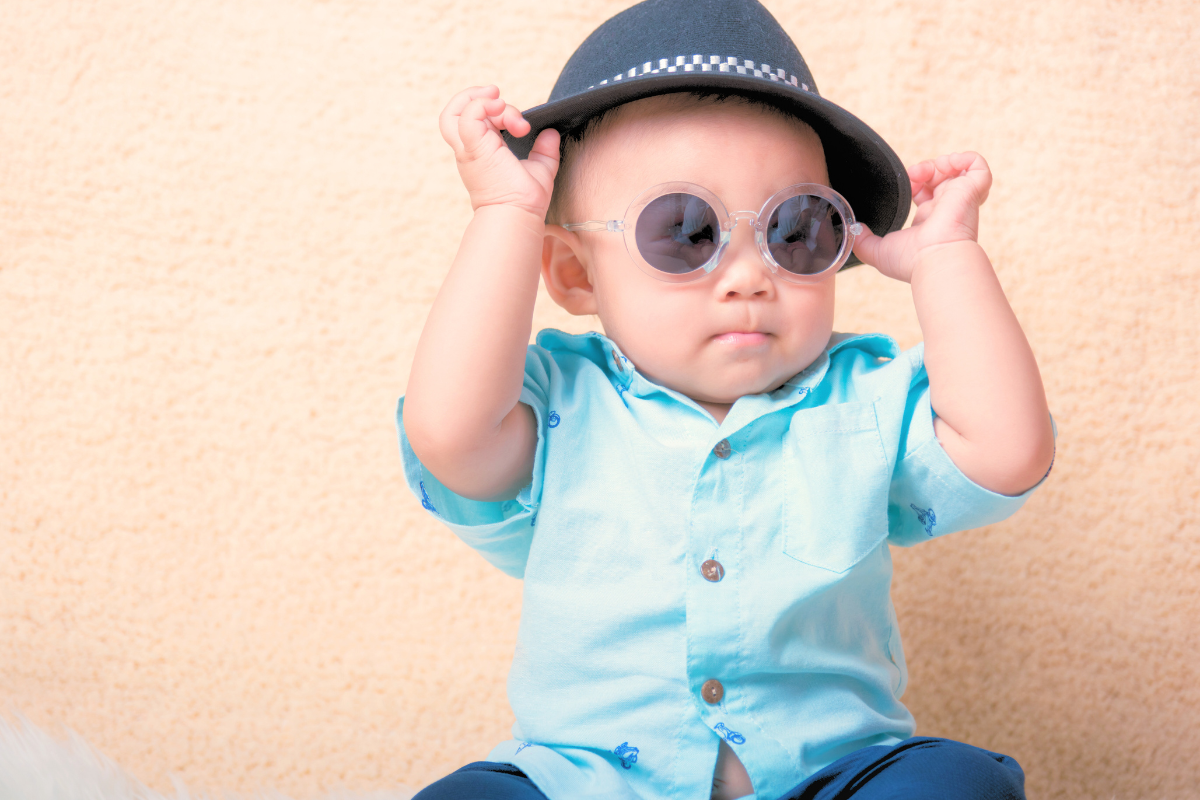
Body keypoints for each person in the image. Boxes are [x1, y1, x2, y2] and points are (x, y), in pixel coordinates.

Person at [398, 1, 1055, 798]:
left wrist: (949, 260)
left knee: (955, 782)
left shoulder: (863, 399)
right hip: (589, 782)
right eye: (686, 231)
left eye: (796, 229)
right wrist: (505, 216)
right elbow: (448, 431)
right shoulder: (558, 405)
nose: (750, 275)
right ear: (575, 275)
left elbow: (1009, 448)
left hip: (831, 776)